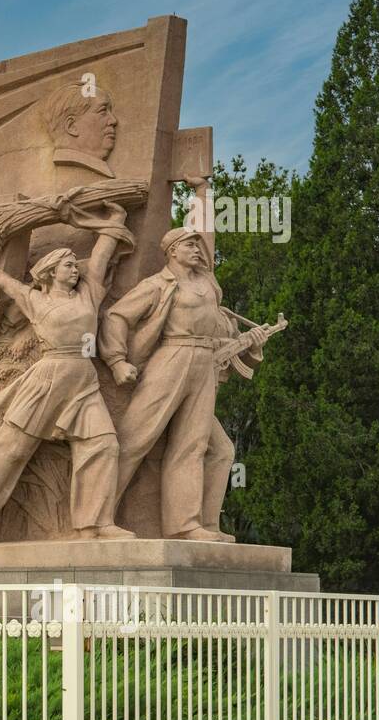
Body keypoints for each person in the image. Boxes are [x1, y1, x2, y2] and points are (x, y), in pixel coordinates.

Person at [0, 202, 136, 546]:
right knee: (13, 447)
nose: (74, 270)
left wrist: (116, 219)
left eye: (72, 264)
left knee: (103, 444)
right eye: (67, 265)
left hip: (83, 378)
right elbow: (4, 281)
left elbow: (100, 254)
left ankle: (93, 524)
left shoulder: (89, 295)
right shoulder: (34, 299)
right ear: (50, 271)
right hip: (48, 376)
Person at [99, 227, 267, 540]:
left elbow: (224, 335)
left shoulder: (208, 285)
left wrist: (252, 346)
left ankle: (187, 525)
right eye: (190, 244)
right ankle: (99, 519)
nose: (197, 250)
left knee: (193, 444)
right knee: (134, 438)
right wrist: (117, 360)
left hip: (205, 361)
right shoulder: (157, 284)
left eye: (198, 245)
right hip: (171, 357)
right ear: (173, 250)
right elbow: (116, 316)